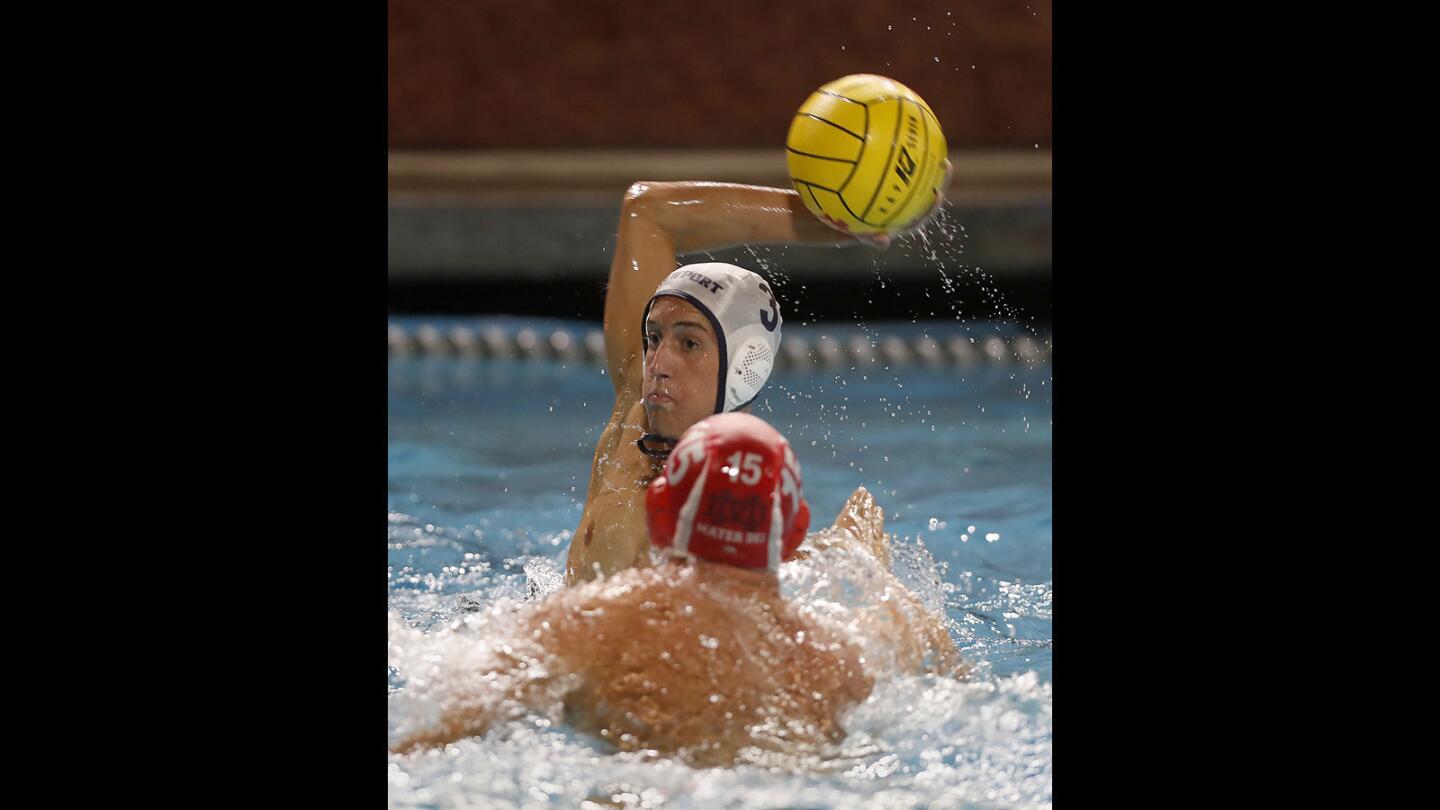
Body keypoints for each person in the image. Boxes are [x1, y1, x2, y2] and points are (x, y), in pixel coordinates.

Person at [391, 413, 965, 765]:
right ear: (792, 534)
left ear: (661, 513)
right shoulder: (838, 663)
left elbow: (442, 731)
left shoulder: (596, 618)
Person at [566, 168, 950, 584]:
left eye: (689, 344)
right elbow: (648, 211)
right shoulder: (632, 419)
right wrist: (849, 223)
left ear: (744, 366)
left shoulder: (741, 520)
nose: (657, 362)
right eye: (654, 337)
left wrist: (855, 558)